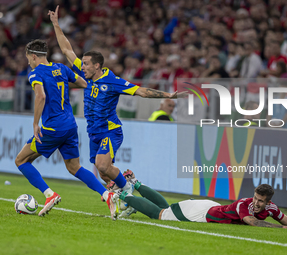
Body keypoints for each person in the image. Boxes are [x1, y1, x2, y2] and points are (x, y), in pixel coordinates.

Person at [48, 6, 186, 194]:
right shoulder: (87, 74)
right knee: (105, 174)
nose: (82, 66)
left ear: (97, 66)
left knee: (102, 165)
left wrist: (168, 95)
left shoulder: (113, 81)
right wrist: (56, 24)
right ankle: (129, 185)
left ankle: (129, 188)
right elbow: (66, 49)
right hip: (93, 132)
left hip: (111, 130)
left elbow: (141, 92)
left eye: (86, 63)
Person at [14, 39, 119, 219]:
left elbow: (40, 96)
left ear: (32, 56)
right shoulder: (61, 68)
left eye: (28, 58)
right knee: (74, 167)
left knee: (21, 160)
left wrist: (35, 124)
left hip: (53, 129)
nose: (28, 62)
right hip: (70, 125)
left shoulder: (35, 73)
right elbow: (83, 82)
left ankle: (49, 195)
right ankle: (107, 194)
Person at [112, 170, 287, 229]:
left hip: (211, 207)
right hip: (203, 213)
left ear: (268, 202)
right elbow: (252, 221)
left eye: (261, 201)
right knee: (161, 214)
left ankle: (136, 183)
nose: (256, 203)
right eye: (256, 199)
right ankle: (122, 193)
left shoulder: (272, 208)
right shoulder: (244, 204)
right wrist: (283, 229)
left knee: (167, 208)